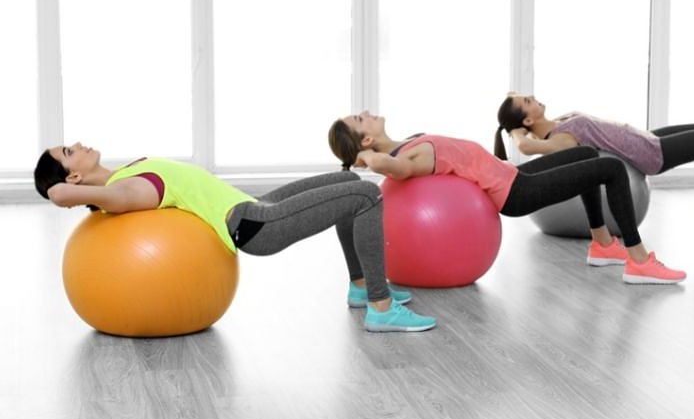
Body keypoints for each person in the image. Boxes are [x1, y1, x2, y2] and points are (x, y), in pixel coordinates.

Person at [34, 143, 436, 333]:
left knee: (349, 181)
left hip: (253, 203)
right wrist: (63, 194)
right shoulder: (127, 189)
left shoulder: (126, 174)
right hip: (254, 223)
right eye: (69, 151)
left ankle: (362, 288)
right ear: (73, 176)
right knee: (366, 194)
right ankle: (381, 307)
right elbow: (113, 200)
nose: (79, 144)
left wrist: (71, 189)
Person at [329, 111, 686, 285]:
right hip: (516, 193)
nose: (367, 113)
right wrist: (368, 160)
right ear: (365, 142)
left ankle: (602, 243)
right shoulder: (405, 159)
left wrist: (370, 154)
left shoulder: (407, 143)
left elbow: (390, 159)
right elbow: (395, 170)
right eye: (361, 119)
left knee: (589, 153)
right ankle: (639, 260)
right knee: (611, 168)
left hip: (514, 175)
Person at [495, 92, 694, 237]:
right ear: (527, 121)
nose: (531, 96)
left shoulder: (559, 121)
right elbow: (526, 147)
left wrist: (515, 122)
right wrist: (514, 131)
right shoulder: (560, 139)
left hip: (647, 137)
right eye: (526, 101)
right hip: (651, 153)